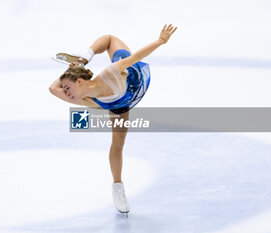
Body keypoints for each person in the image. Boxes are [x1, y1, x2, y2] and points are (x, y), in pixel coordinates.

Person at [49, 24, 177, 216]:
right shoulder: (84, 99)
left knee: (111, 39)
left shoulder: (109, 73)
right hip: (118, 104)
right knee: (117, 144)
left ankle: (85, 56)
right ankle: (118, 187)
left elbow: (136, 57)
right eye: (65, 89)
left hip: (132, 78)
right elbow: (52, 88)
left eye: (67, 87)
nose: (65, 93)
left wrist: (160, 41)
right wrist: (71, 72)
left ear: (80, 81)